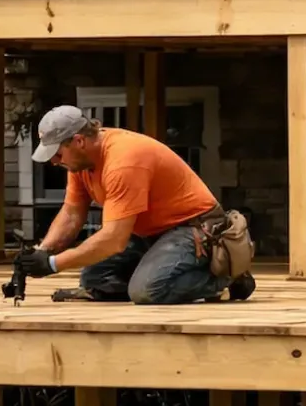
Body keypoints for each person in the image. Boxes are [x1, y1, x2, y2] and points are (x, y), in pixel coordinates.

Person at [22, 105, 256, 304]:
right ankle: (158, 275)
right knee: (96, 281)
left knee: (146, 291)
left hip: (194, 228)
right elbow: (72, 213)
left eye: (57, 154)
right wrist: (41, 253)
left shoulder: (123, 161)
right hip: (149, 232)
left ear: (79, 141)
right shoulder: (79, 163)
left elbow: (114, 239)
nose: (54, 162)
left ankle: (225, 280)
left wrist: (53, 264)